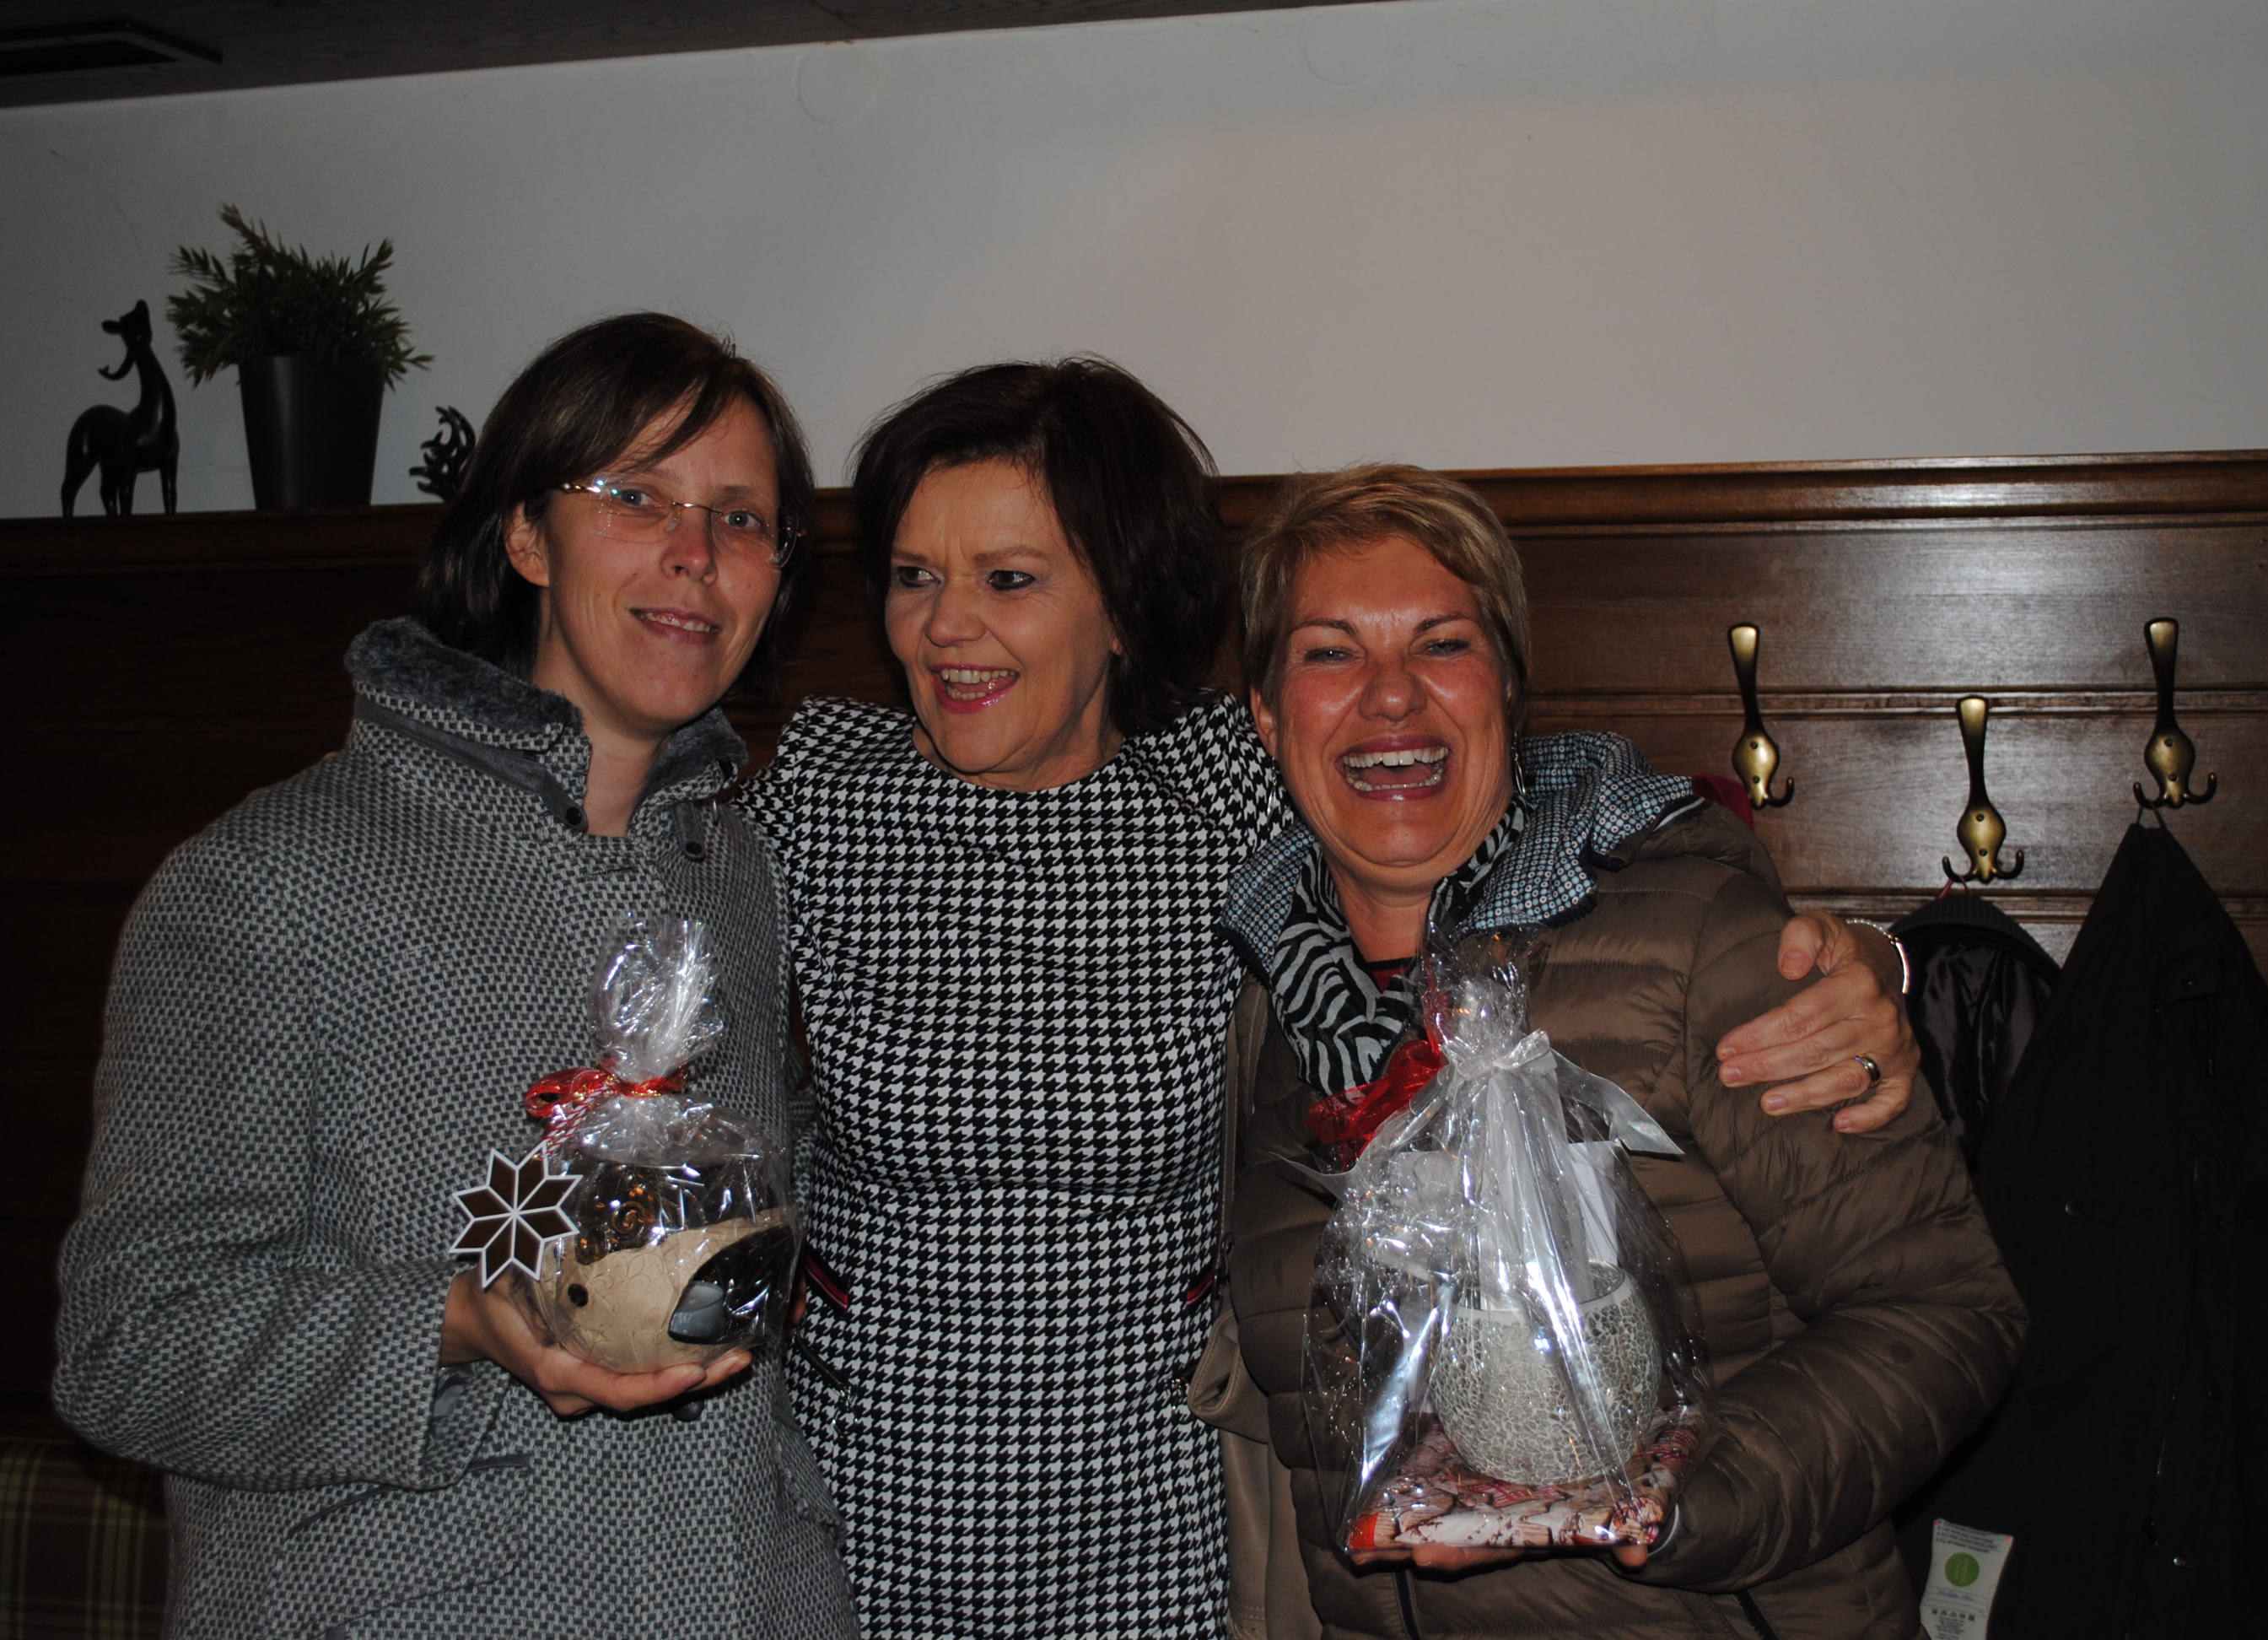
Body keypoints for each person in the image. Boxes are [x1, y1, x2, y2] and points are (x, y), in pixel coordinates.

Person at [739, 362, 1923, 1638]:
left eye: (1008, 579)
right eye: (915, 576)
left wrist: (1855, 955)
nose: (945, 627)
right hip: (863, 1499)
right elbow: (650, 935)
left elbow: (1557, 795)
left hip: (1158, 1516)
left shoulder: (1228, 789)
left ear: (1122, 608)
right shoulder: (826, 792)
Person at [52, 314, 857, 1640]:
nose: (696, 555)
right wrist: (459, 1321)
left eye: (742, 519)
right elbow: (130, 1349)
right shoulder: (268, 883)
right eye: (636, 496)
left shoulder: (739, 876)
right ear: (526, 535)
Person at [1221, 465, 2026, 1639]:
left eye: (1442, 644)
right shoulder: (1271, 1026)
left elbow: (1943, 1308)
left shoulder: (1699, 944)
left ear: (1507, 686)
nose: (1390, 695)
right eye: (1330, 652)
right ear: (1265, 711)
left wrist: (1681, 1501)